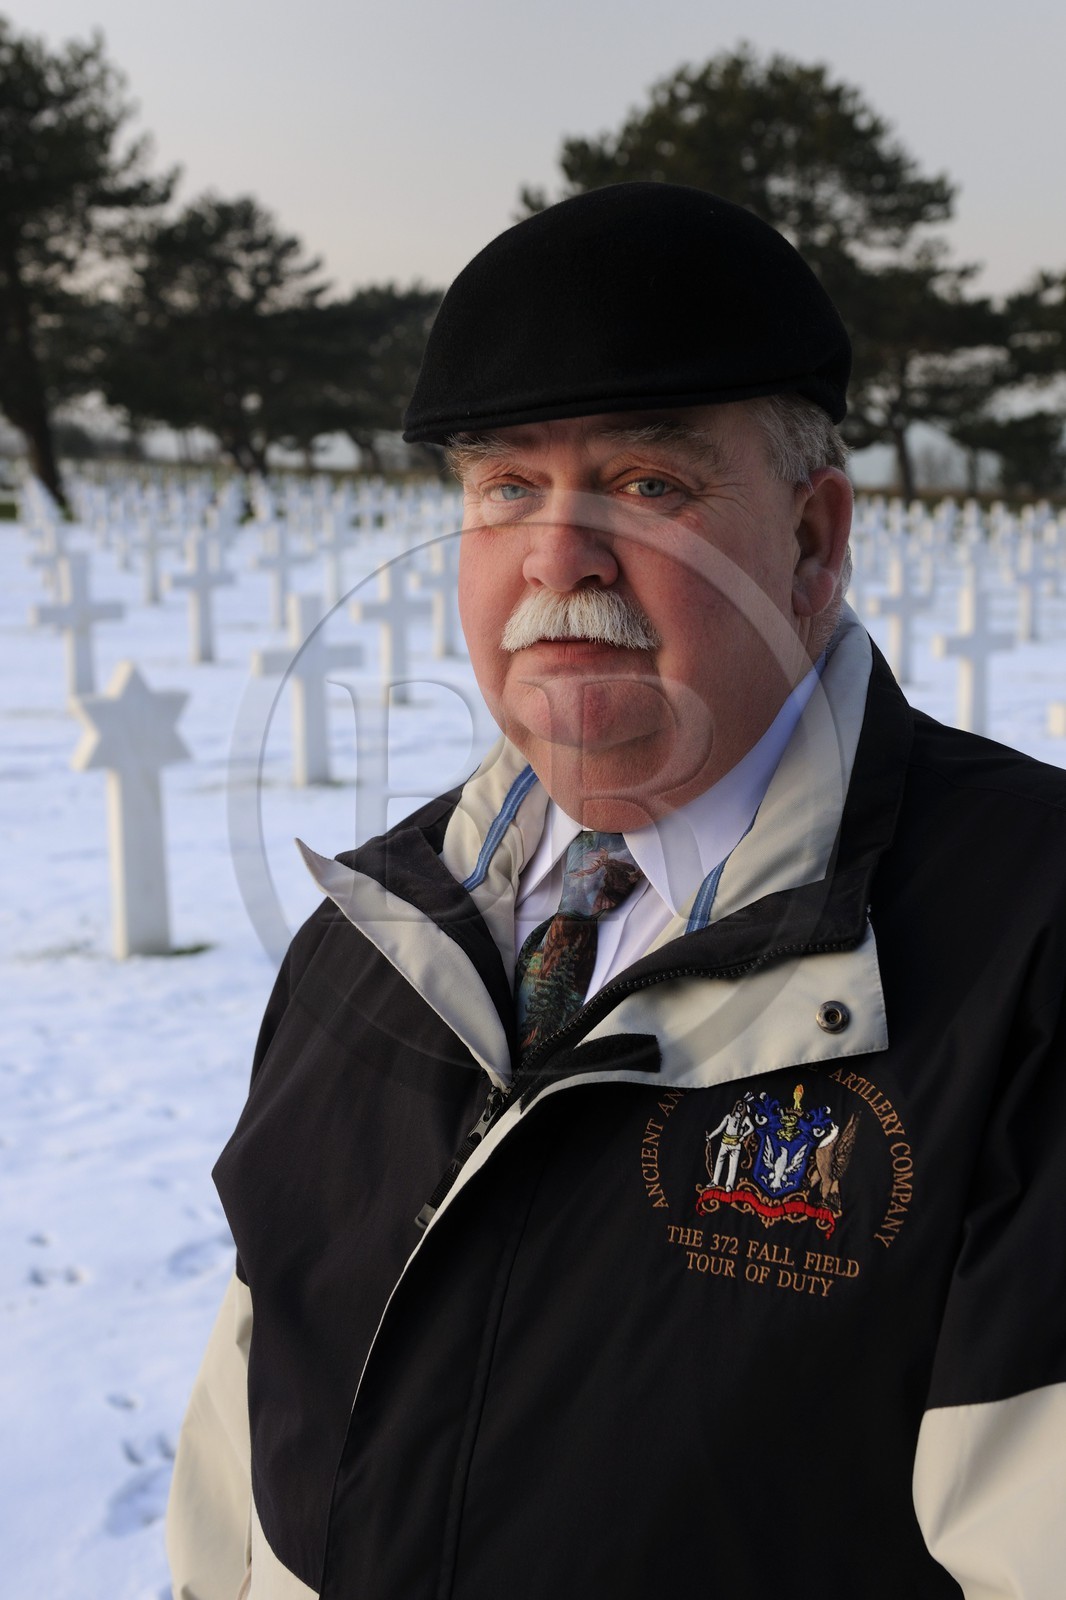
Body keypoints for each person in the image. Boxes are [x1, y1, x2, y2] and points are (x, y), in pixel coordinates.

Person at [167, 184, 1066, 1600]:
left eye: (649, 485)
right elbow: (239, 1457)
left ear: (812, 541)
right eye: (504, 488)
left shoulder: (1029, 951)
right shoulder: (369, 942)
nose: (556, 556)